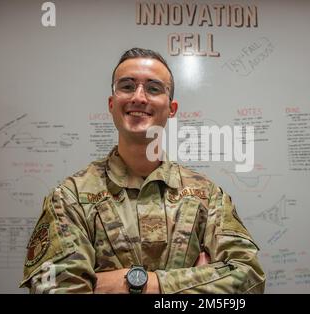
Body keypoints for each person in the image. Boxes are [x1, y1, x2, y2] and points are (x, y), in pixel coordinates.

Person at [20, 48, 266, 294]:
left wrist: (141, 284)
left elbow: (249, 278)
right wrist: (197, 281)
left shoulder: (207, 196)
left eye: (153, 88)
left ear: (172, 108)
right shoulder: (69, 198)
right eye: (127, 86)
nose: (139, 97)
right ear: (111, 103)